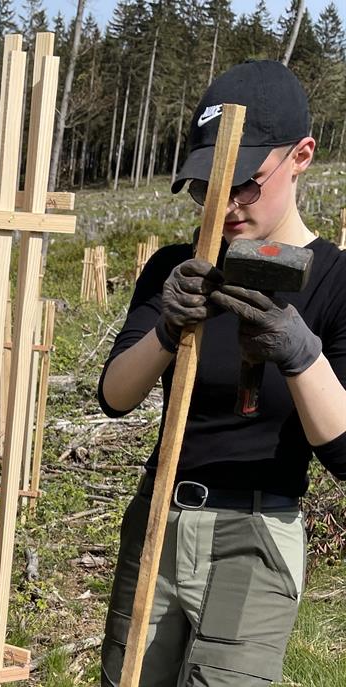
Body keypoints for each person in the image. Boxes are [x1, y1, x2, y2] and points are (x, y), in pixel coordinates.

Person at [97, 60, 346, 686]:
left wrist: (300, 353)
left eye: (246, 183)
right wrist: (166, 330)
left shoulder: (338, 283)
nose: (227, 204)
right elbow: (115, 396)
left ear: (302, 156)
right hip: (158, 520)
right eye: (212, 185)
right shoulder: (177, 267)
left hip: (257, 537)